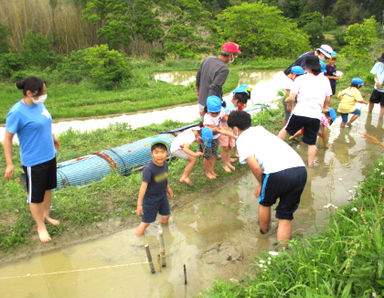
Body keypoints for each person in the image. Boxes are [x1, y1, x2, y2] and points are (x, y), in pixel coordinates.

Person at [227, 110, 307, 245]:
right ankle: (283, 254)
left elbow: (255, 167)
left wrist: (261, 183)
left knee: (264, 202)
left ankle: (263, 234)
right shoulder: (259, 129)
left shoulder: (241, 140)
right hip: (300, 170)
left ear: (235, 128)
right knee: (285, 216)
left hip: (276, 172)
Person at [3, 76, 60, 243]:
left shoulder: (38, 103)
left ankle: (46, 216)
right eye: (41, 92)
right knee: (35, 195)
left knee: (48, 188)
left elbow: (44, 123)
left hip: (49, 155)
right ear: (29, 93)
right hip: (33, 160)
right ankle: (40, 226)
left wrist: (52, 137)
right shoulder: (16, 112)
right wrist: (9, 163)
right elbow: (7, 139)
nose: (44, 94)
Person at [278, 55, 332, 167]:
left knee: (286, 130)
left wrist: (286, 100)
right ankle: (311, 165)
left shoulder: (300, 79)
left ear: (307, 67)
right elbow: (328, 98)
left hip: (300, 112)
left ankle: (274, 150)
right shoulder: (325, 79)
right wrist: (325, 106)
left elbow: (292, 97)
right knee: (312, 143)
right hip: (315, 115)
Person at [135, 138, 174, 236]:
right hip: (150, 199)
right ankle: (137, 240)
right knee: (146, 222)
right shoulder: (148, 169)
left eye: (162, 152)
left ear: (167, 153)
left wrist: (168, 188)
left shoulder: (165, 164)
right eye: (156, 152)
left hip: (162, 196)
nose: (160, 155)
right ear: (151, 154)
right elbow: (143, 187)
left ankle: (165, 233)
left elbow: (164, 177)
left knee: (166, 216)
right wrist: (139, 204)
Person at [196, 42, 241, 116]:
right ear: (231, 55)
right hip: (211, 106)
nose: (235, 57)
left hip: (202, 100)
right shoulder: (224, 69)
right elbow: (214, 88)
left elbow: (198, 76)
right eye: (235, 55)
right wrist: (208, 108)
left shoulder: (208, 59)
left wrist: (198, 91)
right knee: (212, 125)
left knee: (206, 123)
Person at [219, 84, 252, 172]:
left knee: (230, 146)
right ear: (235, 98)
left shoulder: (235, 106)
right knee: (225, 147)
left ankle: (228, 160)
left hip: (231, 128)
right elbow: (223, 117)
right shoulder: (227, 105)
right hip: (225, 128)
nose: (240, 105)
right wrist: (231, 118)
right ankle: (224, 164)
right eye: (240, 103)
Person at [368, 53, 384, 119]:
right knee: (371, 101)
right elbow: (375, 76)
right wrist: (376, 81)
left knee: (382, 106)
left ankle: (380, 120)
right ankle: (369, 115)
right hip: (376, 88)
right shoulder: (378, 65)